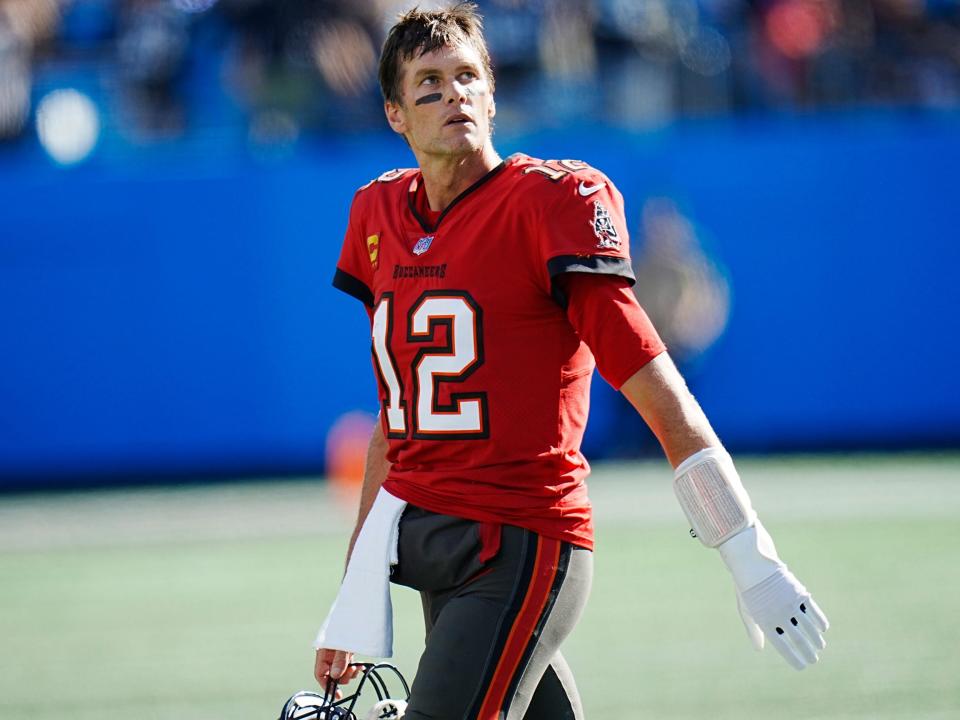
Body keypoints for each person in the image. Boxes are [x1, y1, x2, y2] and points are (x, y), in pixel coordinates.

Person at [313, 4, 829, 719]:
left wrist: (745, 546)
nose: (453, 94)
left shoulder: (547, 202)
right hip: (430, 541)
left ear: (492, 92)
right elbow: (393, 424)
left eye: (467, 77)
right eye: (428, 84)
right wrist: (354, 589)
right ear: (395, 114)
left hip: (518, 541)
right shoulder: (377, 214)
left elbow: (652, 380)